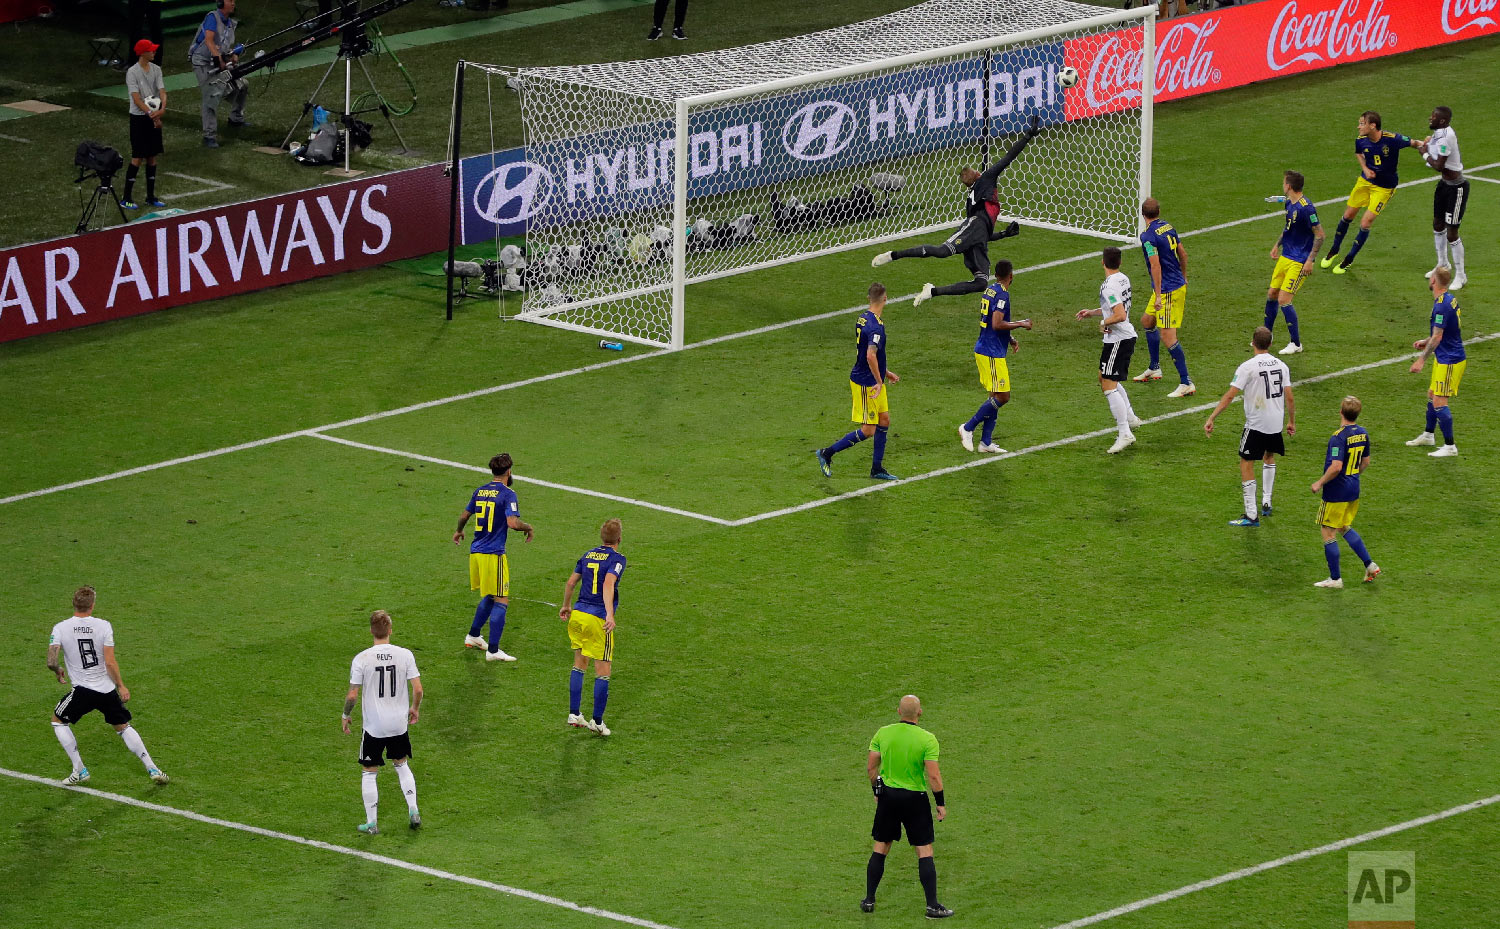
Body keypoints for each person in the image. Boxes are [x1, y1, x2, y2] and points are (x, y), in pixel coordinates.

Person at [871, 115, 1038, 305]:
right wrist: (1027, 136)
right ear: (976, 174)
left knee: (981, 283)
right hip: (976, 228)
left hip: (979, 235)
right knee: (943, 251)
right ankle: (893, 255)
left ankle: (932, 292)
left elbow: (979, 234)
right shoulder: (986, 179)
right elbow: (1008, 157)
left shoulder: (974, 199)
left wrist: (1003, 234)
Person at [47, 586, 169, 786]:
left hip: (83, 691)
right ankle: (152, 767)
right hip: (106, 689)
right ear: (92, 605)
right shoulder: (103, 626)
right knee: (123, 727)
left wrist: (57, 670)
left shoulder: (60, 627)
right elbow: (110, 662)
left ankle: (79, 769)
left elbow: (51, 661)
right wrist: (121, 685)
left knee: (58, 721)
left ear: (73, 604)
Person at [862, 695, 951, 919]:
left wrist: (877, 792)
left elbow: (872, 769)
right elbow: (933, 776)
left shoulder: (883, 733)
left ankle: (869, 900)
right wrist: (940, 803)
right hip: (915, 799)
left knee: (881, 846)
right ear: (920, 713)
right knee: (924, 850)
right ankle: (932, 906)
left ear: (898, 711)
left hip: (888, 797)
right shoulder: (928, 739)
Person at [1204, 327, 1296, 527]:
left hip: (1256, 424)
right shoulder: (1282, 365)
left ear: (1252, 343)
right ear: (1271, 344)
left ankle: (1251, 515)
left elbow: (1230, 396)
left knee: (1246, 463)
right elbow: (1289, 396)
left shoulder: (1247, 367)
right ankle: (1267, 501)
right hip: (1275, 423)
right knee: (1269, 457)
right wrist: (1291, 421)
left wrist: (1212, 417)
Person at [343, 610, 422, 834]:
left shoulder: (362, 658)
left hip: (374, 727)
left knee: (369, 771)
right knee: (402, 765)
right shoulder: (405, 655)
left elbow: (352, 696)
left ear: (371, 631)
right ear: (390, 630)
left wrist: (345, 715)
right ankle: (414, 810)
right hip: (398, 724)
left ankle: (372, 823)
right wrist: (414, 709)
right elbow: (418, 689)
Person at [816, 282, 901, 482]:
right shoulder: (876, 326)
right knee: (868, 430)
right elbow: (871, 355)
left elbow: (868, 354)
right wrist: (880, 381)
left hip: (874, 379)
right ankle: (826, 453)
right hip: (867, 383)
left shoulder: (864, 317)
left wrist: (885, 372)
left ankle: (877, 468)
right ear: (885, 298)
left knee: (884, 420)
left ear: (869, 299)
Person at [454, 453, 534, 661]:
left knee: (489, 595)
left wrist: (459, 531)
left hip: (476, 552)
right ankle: (493, 650)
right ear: (509, 471)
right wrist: (528, 527)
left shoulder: (480, 491)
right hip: (493, 554)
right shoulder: (508, 494)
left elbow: (464, 515)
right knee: (501, 599)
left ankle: (473, 636)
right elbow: (513, 523)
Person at [1320, 111, 1421, 275]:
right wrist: (1365, 168)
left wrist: (1427, 144)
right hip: (1365, 183)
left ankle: (1349, 259)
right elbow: (1358, 153)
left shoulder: (1392, 139)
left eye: (1361, 123)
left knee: (1365, 223)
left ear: (1372, 125)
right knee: (1347, 216)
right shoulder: (1360, 140)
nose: (1358, 126)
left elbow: (1414, 143)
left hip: (1384, 188)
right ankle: (1334, 250)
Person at [954, 258, 1030, 454]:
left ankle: (985, 442)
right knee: (1003, 397)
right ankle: (968, 427)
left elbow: (991, 322)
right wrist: (1020, 323)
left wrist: (1010, 337)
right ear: (1011, 276)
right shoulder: (1003, 295)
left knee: (994, 396)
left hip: (987, 347)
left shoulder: (990, 290)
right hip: (991, 352)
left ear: (996, 275)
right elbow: (996, 323)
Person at [558, 519, 626, 737]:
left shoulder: (587, 555)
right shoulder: (618, 559)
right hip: (596, 618)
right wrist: (610, 614)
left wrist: (566, 605)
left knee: (579, 664)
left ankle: (574, 713)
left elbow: (570, 583)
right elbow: (608, 584)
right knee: (603, 670)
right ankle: (597, 721)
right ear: (619, 539)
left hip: (577, 615)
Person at [1075, 247, 1142, 453]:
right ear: (1119, 263)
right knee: (1103, 377)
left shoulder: (1108, 286)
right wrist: (1094, 313)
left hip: (1118, 339)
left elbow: (1119, 314)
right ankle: (1130, 417)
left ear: (1102, 262)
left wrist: (1104, 321)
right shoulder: (1123, 279)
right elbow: (1116, 307)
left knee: (1108, 385)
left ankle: (1125, 433)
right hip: (1123, 338)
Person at [1309, 397, 1378, 588]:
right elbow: (1366, 462)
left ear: (1341, 411)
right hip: (1353, 488)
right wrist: (1354, 476)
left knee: (1328, 531)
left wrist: (1319, 482)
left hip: (1336, 491)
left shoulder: (1338, 437)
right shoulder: (1363, 433)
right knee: (1344, 526)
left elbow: (1336, 467)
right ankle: (1370, 565)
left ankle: (1335, 579)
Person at [1132, 198, 1194, 396]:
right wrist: (1184, 276)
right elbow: (1183, 254)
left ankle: (1186, 383)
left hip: (1167, 291)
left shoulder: (1147, 237)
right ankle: (1154, 367)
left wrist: (1158, 296)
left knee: (1168, 337)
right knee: (1147, 321)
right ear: (1158, 212)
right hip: (1170, 285)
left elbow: (1155, 265)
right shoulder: (1168, 226)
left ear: (1143, 215)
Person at [1406, 268, 1465, 458]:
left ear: (1433, 280)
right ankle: (1429, 435)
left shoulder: (1441, 306)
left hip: (1450, 360)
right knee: (1432, 395)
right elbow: (1443, 332)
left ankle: (1450, 446)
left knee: (1440, 401)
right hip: (1444, 356)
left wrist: (1421, 360)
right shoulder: (1448, 299)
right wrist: (1426, 340)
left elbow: (1438, 337)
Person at [1263, 171, 1323, 355]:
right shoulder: (1289, 203)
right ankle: (1266, 336)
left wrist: (1310, 260)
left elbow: (1320, 235)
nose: (1283, 185)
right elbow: (1288, 228)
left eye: (1284, 182)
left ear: (1288, 185)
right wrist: (1277, 244)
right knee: (1272, 293)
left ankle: (1296, 343)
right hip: (1286, 257)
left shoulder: (1307, 208)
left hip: (1299, 261)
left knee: (1284, 299)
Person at [189, 0, 249, 148]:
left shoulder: (230, 24)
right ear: (221, 3)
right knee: (211, 94)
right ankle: (209, 136)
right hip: (203, 62)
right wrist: (219, 58)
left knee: (243, 85)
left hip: (217, 61)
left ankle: (236, 118)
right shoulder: (212, 17)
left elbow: (224, 48)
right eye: (231, 1)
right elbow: (209, 41)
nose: (234, 3)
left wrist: (234, 55)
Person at [1422, 106, 1469, 291]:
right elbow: (1433, 158)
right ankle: (1442, 265)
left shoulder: (1447, 136)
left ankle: (1461, 275)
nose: (1429, 118)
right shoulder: (1439, 134)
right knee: (1437, 224)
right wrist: (1426, 148)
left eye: (1433, 117)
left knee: (1452, 233)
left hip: (1457, 188)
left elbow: (1439, 165)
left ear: (1442, 121)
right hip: (1444, 186)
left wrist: (1424, 152)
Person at [122, 40, 167, 211]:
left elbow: (162, 91)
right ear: (142, 53)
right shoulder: (132, 72)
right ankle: (126, 197)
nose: (154, 53)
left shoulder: (157, 69)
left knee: (152, 157)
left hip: (152, 115)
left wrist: (161, 109)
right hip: (139, 119)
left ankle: (150, 196)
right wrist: (152, 115)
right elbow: (136, 98)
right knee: (137, 157)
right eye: (151, 51)